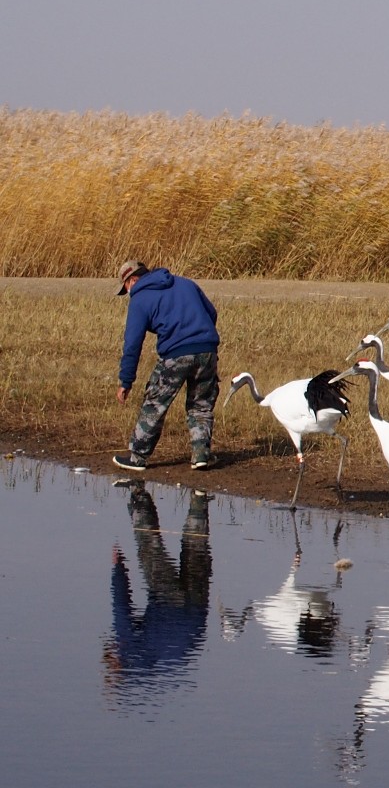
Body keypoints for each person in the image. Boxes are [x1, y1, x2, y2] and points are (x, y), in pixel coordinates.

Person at [112, 259, 221, 471]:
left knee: (155, 403)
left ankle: (138, 457)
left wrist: (126, 380)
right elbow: (212, 313)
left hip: (176, 354)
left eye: (126, 288)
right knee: (201, 405)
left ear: (132, 280)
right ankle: (201, 455)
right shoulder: (185, 283)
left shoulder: (140, 299)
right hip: (208, 350)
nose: (128, 294)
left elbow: (132, 344)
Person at [106, 485, 213, 697]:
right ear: (116, 666)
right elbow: (121, 607)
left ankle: (199, 500)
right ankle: (138, 494)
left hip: (196, 617)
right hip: (168, 606)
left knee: (196, 549)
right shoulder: (128, 650)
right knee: (149, 545)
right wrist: (118, 567)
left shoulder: (161, 665)